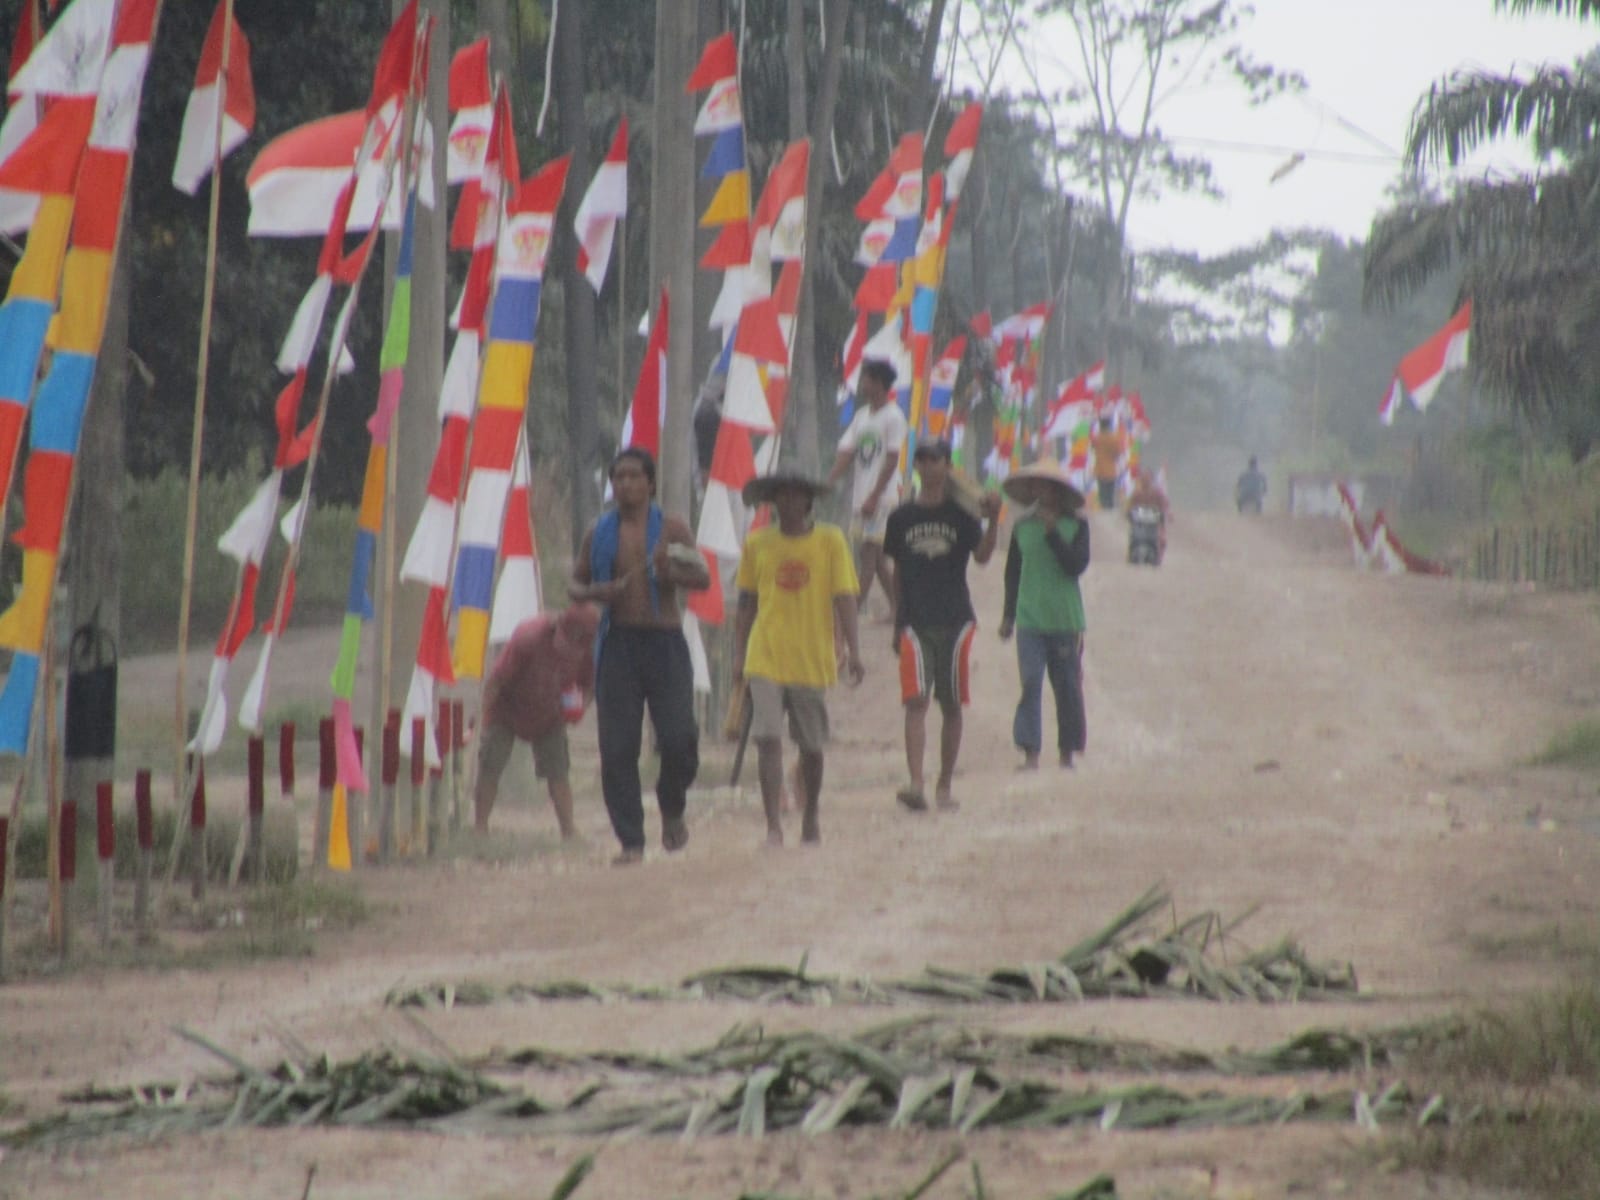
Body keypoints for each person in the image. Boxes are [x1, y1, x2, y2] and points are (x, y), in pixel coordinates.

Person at [570, 448, 711, 865]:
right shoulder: (598, 533)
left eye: (634, 477)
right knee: (617, 748)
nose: (626, 484)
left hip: (665, 643)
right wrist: (598, 593)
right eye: (619, 477)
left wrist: (673, 575)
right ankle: (631, 840)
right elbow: (575, 586)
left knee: (679, 738)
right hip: (619, 645)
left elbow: (702, 577)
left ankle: (672, 807)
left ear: (651, 483)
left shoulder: (672, 529)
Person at [733, 469, 865, 847]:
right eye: (781, 496)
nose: (788, 503)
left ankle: (810, 815)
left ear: (809, 502)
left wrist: (854, 651)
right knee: (768, 738)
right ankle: (773, 825)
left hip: (811, 656)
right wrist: (740, 657)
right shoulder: (758, 544)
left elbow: (844, 597)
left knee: (811, 747)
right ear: (773, 503)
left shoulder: (830, 541)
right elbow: (746, 604)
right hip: (766, 655)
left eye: (796, 496)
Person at [883, 440, 1002, 813]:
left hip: (955, 620)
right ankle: (916, 782)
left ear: (946, 467)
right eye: (921, 458)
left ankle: (944, 784)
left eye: (934, 459)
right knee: (915, 702)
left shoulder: (960, 516)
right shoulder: (900, 518)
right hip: (914, 622)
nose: (927, 464)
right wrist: (896, 617)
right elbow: (898, 570)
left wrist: (994, 521)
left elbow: (982, 557)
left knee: (951, 704)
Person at [473, 604, 600, 837]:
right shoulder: (528, 638)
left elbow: (589, 687)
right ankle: (480, 827)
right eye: (565, 641)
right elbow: (497, 680)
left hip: (550, 714)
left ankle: (568, 831)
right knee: (490, 763)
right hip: (507, 709)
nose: (566, 651)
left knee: (559, 772)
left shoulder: (589, 654)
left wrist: (580, 706)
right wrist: (484, 718)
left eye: (575, 645)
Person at [998, 461, 1090, 770]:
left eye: (1047, 486)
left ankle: (1067, 753)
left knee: (1067, 687)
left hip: (1065, 620)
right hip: (1029, 619)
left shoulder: (1077, 525)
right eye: (1036, 486)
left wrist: (1053, 533)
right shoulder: (1022, 526)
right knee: (1031, 682)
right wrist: (1008, 616)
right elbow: (1012, 574)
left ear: (1059, 492)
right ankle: (1030, 752)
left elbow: (1076, 565)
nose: (1041, 492)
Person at [827, 358, 908, 616]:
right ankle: (899, 611)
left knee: (868, 556)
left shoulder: (894, 417)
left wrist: (874, 496)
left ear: (879, 384)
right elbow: (846, 452)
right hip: (862, 496)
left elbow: (893, 459)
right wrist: (827, 483)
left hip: (882, 497)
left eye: (867, 379)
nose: (862, 384)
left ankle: (849, 615)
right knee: (879, 558)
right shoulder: (862, 416)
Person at [1126, 466, 1170, 556]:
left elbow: (1164, 506)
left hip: (1154, 525)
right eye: (1143, 478)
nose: (1145, 481)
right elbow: (1130, 507)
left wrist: (1166, 513)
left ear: (1151, 480)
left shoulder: (1157, 493)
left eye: (1147, 478)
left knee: (1162, 538)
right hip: (1140, 525)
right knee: (1133, 536)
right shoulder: (1136, 494)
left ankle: (1159, 554)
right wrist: (1128, 513)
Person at [1090, 417, 1127, 512]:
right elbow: (1118, 453)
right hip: (1111, 470)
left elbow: (1093, 448)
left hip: (1099, 470)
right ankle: (1109, 513)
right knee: (1110, 496)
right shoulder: (1113, 439)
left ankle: (1103, 511)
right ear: (1109, 426)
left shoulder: (1097, 439)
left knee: (1102, 495)